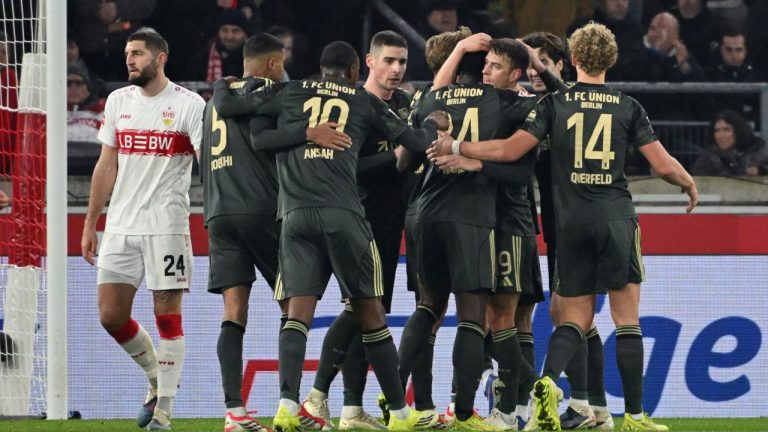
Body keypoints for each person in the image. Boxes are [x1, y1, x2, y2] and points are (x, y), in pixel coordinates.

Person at [429, 22, 698, 431]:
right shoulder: (627, 106)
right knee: (627, 320)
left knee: (571, 319)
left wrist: (457, 146)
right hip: (616, 217)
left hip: (569, 223)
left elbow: (510, 149)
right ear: (612, 60)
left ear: (573, 59)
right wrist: (687, 182)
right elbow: (662, 165)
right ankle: (636, 418)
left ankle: (548, 381)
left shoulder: (554, 105)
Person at [212, 40, 447, 432]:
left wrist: (227, 87)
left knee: (297, 316)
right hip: (344, 217)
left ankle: (288, 405)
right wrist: (431, 124)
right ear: (356, 72)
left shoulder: (289, 92)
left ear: (320, 69)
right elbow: (417, 145)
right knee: (371, 314)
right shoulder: (363, 101)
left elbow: (243, 122)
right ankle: (402, 416)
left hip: (295, 218)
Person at [201, 32, 350, 432]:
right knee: (293, 307)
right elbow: (268, 140)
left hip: (218, 211)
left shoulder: (217, 101)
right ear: (271, 63)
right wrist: (308, 133)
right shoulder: (273, 94)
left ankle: (234, 412)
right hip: (264, 209)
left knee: (234, 312)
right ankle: (291, 406)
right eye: (281, 64)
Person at [80, 29, 205, 431]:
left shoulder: (189, 105)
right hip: (119, 226)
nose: (129, 60)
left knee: (167, 313)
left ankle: (164, 410)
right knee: (110, 315)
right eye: (127, 54)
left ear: (160, 58)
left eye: (137, 54)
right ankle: (157, 379)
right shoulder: (118, 101)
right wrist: (91, 222)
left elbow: (207, 163)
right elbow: (106, 165)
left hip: (166, 226)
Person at [301, 30, 412, 431]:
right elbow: (344, 168)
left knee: (370, 313)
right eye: (389, 61)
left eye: (402, 61)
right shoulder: (348, 105)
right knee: (361, 309)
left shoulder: (402, 105)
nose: (396, 69)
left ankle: (350, 409)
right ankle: (316, 397)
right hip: (355, 216)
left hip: (389, 219)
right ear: (368, 62)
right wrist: (397, 157)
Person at [691, 110, 768, 176]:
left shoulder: (759, 153)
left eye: (726, 129)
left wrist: (761, 171)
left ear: (739, 131)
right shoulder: (707, 160)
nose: (721, 135)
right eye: (717, 130)